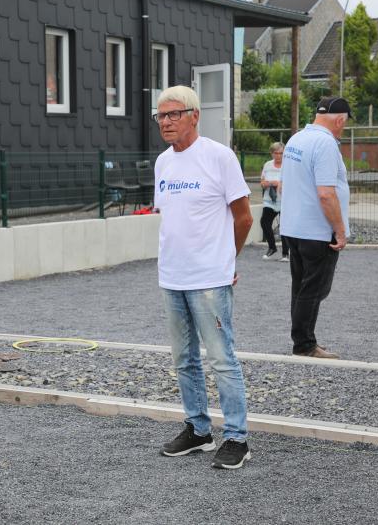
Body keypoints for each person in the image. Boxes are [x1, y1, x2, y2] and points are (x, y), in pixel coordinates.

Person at [152, 85, 254, 469]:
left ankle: (237, 438)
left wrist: (226, 261)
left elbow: (244, 217)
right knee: (184, 359)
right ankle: (198, 430)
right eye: (161, 116)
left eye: (173, 114)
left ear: (195, 116)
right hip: (172, 277)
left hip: (209, 279)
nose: (166, 122)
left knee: (222, 359)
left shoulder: (219, 157)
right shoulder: (163, 163)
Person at [279, 97, 352, 360]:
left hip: (294, 227)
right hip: (317, 230)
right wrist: (340, 230)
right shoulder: (326, 144)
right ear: (340, 120)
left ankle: (302, 340)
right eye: (345, 123)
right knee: (314, 289)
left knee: (300, 287)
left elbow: (285, 184)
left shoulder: (296, 139)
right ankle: (305, 345)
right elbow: (326, 194)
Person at [259, 142, 289, 261]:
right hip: (269, 200)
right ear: (272, 153)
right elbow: (262, 181)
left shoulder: (288, 165)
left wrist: (280, 184)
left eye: (281, 153)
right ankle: (272, 247)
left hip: (284, 200)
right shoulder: (267, 165)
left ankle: (285, 253)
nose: (278, 155)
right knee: (264, 222)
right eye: (275, 153)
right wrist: (268, 183)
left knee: (285, 226)